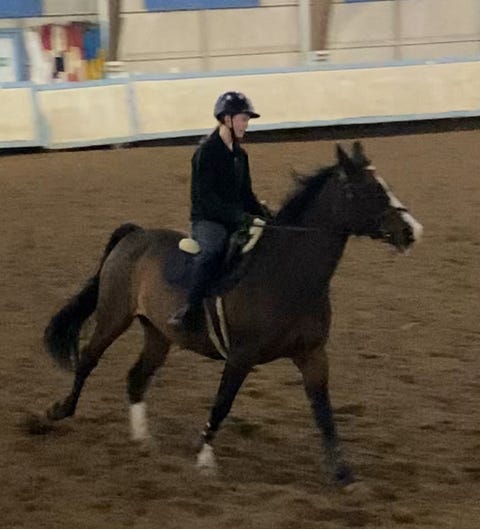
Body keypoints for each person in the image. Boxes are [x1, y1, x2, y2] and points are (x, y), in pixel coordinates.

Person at [168, 91, 267, 332]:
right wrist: (238, 217)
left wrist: (266, 215)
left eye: (247, 120)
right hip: (207, 219)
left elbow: (246, 194)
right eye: (243, 119)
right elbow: (207, 200)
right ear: (227, 119)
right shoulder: (206, 152)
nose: (246, 124)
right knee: (213, 249)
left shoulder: (240, 155)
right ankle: (190, 309)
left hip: (234, 218)